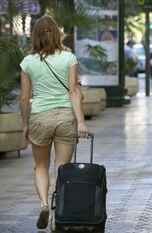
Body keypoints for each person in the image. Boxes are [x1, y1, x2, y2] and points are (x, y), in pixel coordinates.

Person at [19, 15, 89, 230]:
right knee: (61, 167)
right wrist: (81, 122)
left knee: (41, 165)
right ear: (58, 35)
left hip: (40, 116)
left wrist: (25, 123)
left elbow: (24, 97)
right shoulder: (68, 58)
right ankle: (57, 207)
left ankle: (42, 204)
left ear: (35, 36)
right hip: (65, 117)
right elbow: (74, 91)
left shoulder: (28, 62)